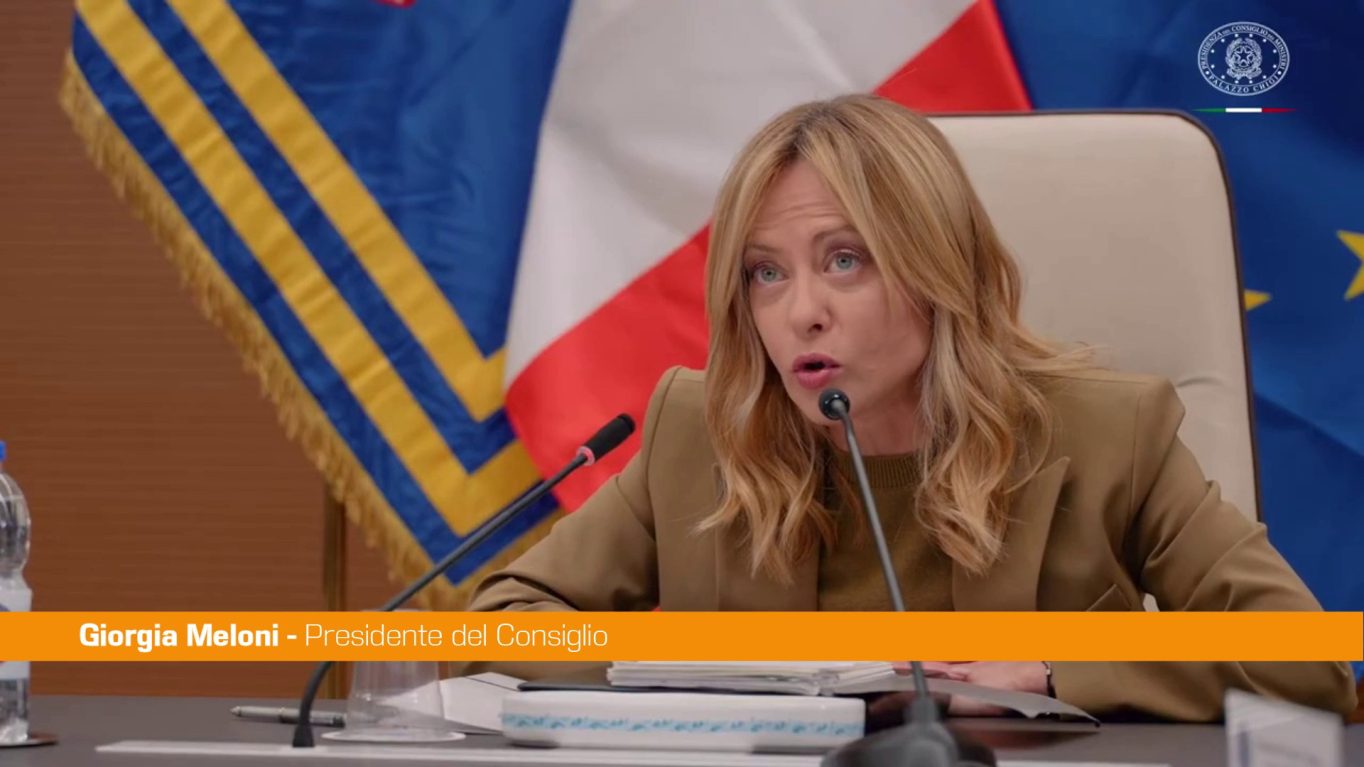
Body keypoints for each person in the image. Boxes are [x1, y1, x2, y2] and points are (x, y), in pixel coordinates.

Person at [463, 94, 1357, 721]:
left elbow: (1307, 658)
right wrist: (709, 673)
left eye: (844, 259)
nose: (801, 311)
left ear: (937, 270)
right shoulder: (703, 431)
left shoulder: (1107, 433)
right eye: (766, 272)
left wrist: (1054, 671)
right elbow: (500, 622)